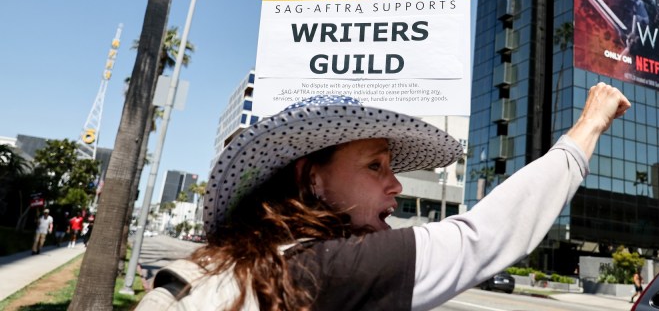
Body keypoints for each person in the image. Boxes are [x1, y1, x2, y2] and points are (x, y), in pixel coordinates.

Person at [136, 87, 630, 310]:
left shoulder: (233, 266)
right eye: (376, 166)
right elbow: (485, 237)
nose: (394, 185)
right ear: (312, 180)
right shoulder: (326, 271)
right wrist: (588, 128)